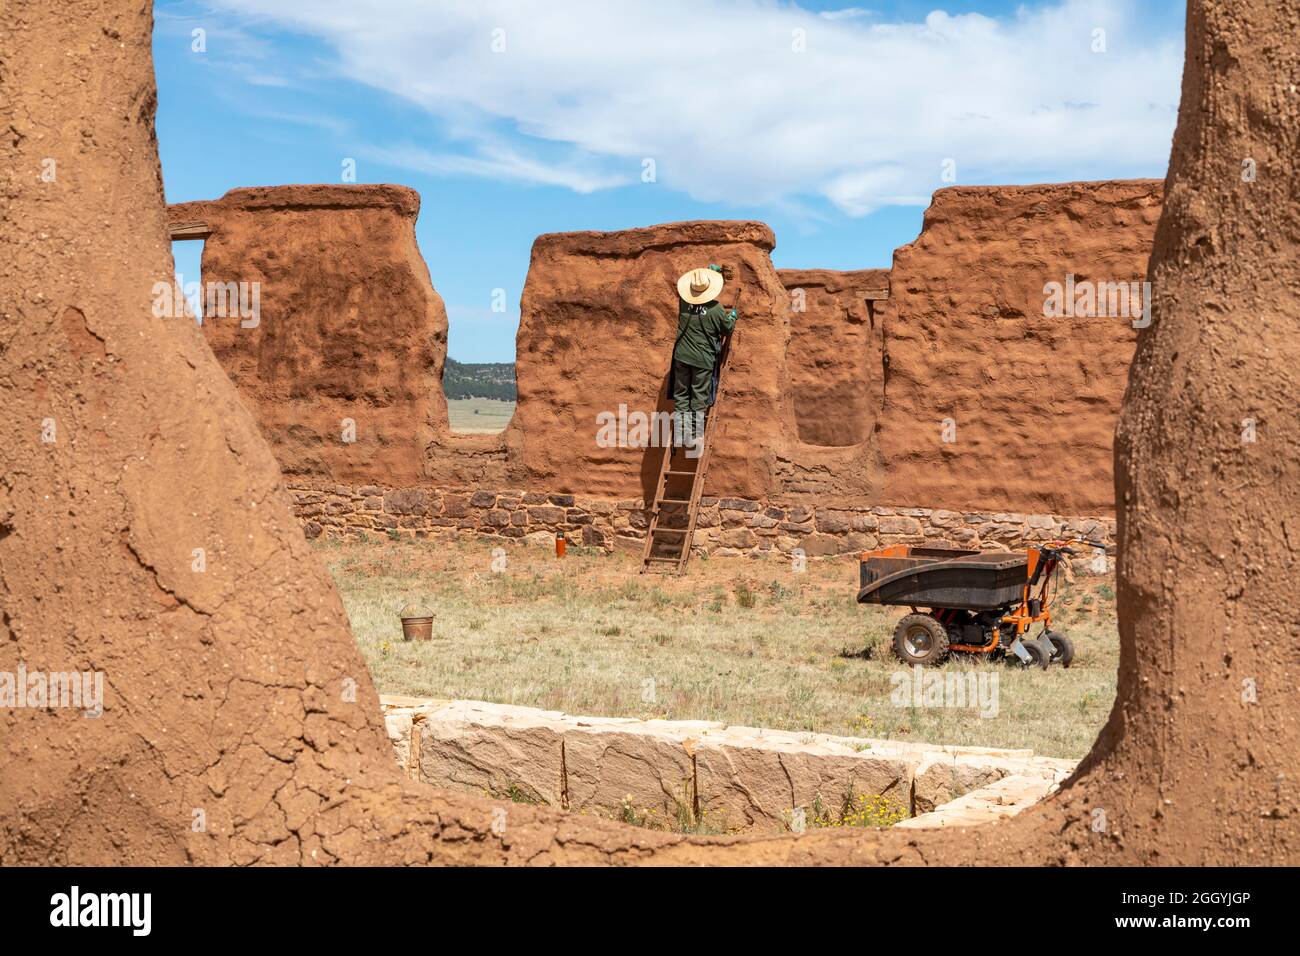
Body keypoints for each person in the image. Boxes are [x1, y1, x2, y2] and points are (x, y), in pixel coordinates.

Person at [670, 265, 739, 452]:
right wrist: (732, 316)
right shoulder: (716, 309)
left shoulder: (684, 303)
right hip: (702, 359)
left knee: (682, 395)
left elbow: (697, 305)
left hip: (681, 356)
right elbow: (727, 329)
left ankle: (680, 433)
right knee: (698, 397)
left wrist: (713, 273)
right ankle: (694, 435)